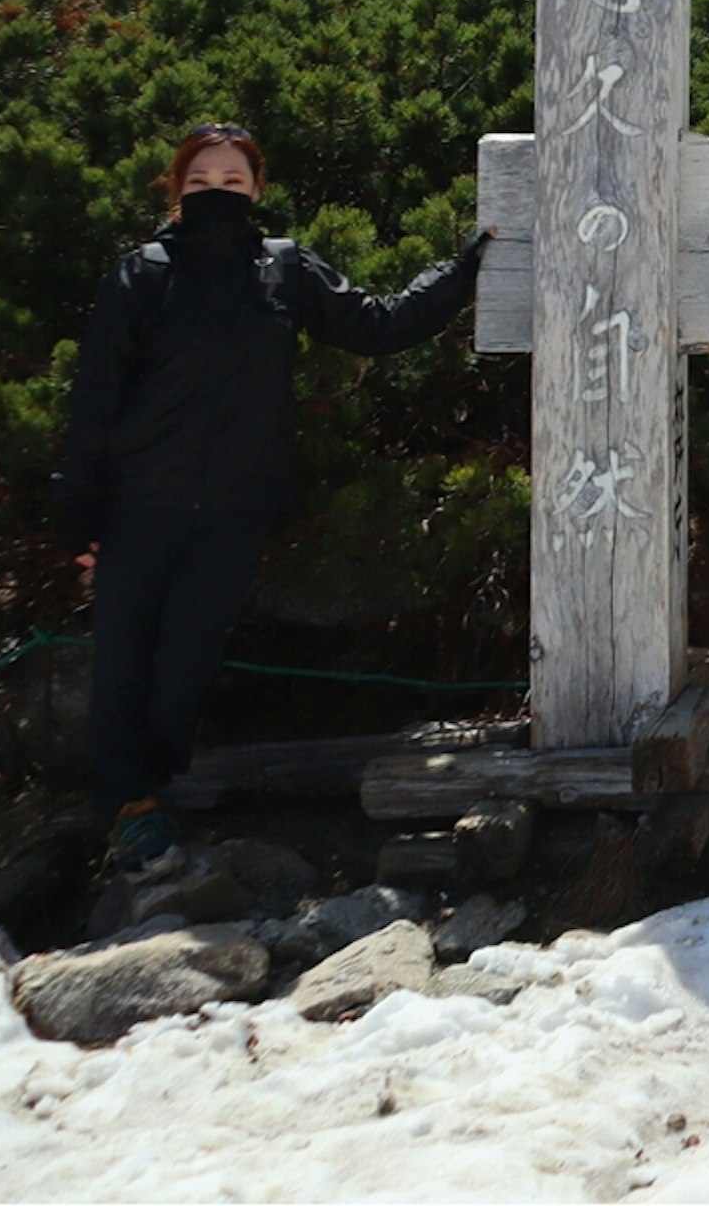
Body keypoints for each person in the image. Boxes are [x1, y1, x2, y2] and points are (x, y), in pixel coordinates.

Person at [54, 122, 489, 868]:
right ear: (174, 190)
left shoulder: (284, 270)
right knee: (122, 660)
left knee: (185, 664)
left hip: (234, 509)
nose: (216, 193)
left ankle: (150, 785)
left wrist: (461, 273)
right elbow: (95, 398)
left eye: (231, 182)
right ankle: (133, 809)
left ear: (257, 189)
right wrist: (77, 508)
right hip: (138, 504)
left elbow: (377, 325)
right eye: (200, 183)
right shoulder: (140, 274)